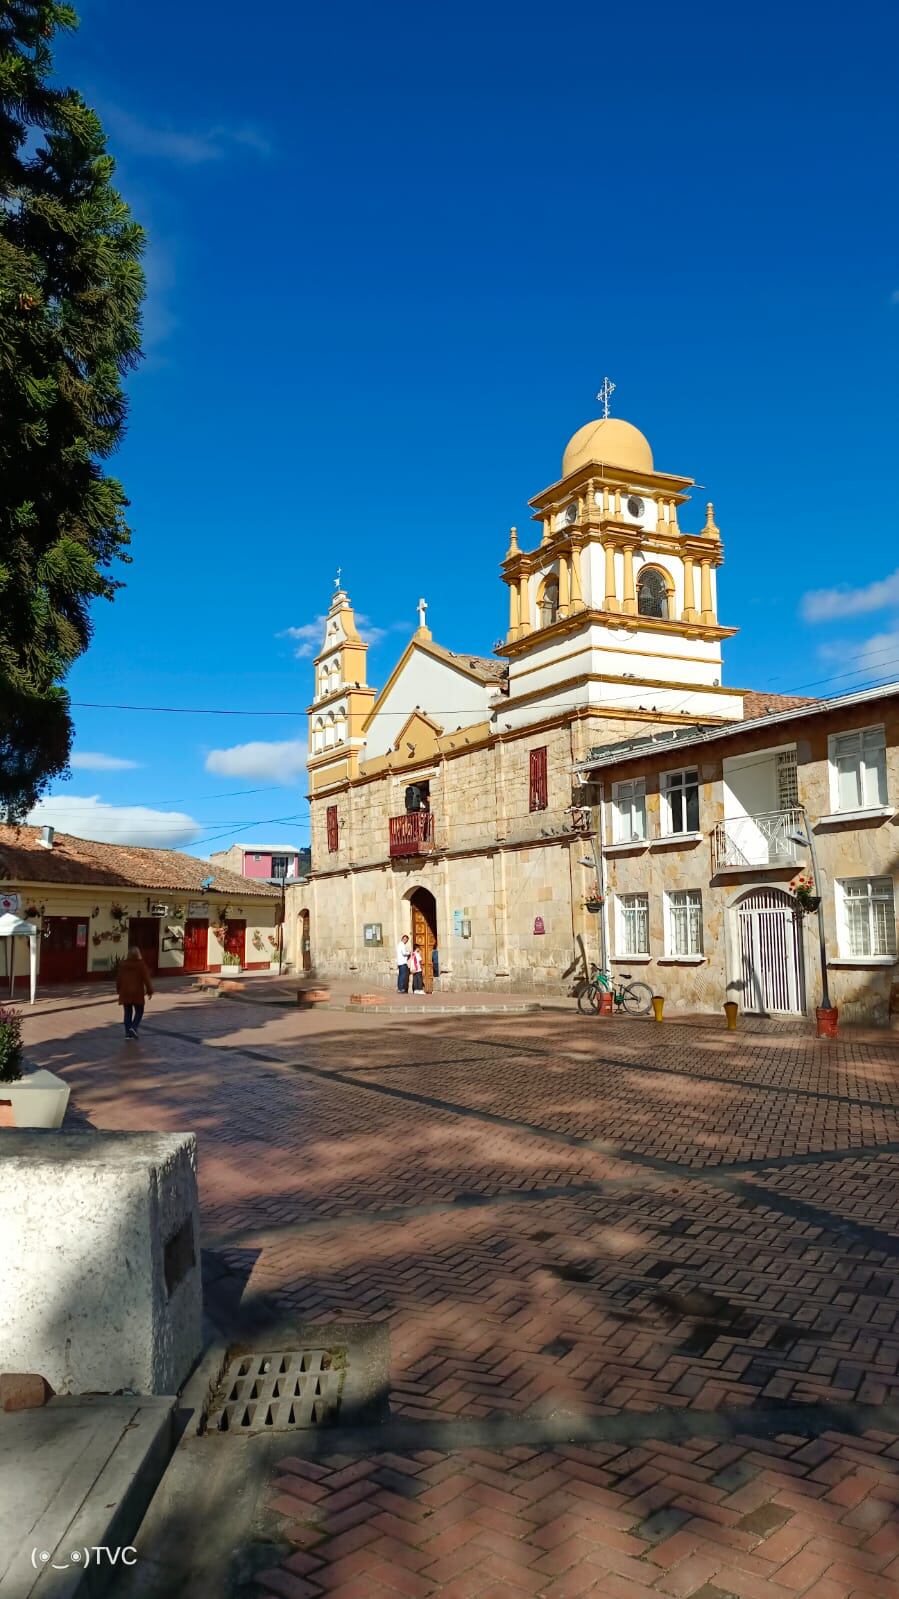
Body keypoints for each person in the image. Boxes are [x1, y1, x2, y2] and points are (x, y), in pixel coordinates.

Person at [116, 945, 154, 1039]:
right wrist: (150, 990)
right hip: (137, 992)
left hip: (125, 992)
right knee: (139, 1011)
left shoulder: (123, 965)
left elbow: (119, 978)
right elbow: (146, 979)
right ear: (138, 954)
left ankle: (127, 1034)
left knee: (127, 1013)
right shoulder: (141, 965)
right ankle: (133, 1027)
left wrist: (118, 989)